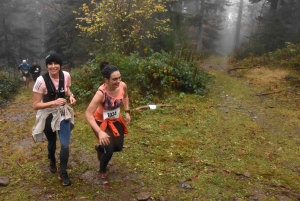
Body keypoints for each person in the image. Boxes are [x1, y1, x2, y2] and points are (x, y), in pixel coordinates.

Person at [32, 51, 76, 186]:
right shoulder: (41, 81)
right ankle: (51, 159)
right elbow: (35, 105)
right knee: (52, 143)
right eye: (50, 64)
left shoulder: (66, 75)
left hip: (63, 113)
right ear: (46, 66)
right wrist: (53, 103)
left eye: (56, 63)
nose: (53, 66)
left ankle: (63, 172)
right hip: (48, 113)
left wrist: (71, 96)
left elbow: (67, 89)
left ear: (60, 65)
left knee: (64, 143)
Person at [85, 61, 130, 185]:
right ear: (106, 80)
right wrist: (99, 132)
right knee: (109, 149)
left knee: (119, 147)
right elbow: (88, 114)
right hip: (101, 122)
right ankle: (101, 171)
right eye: (115, 79)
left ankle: (100, 148)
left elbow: (125, 96)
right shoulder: (101, 93)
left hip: (115, 120)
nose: (118, 81)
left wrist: (127, 112)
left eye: (119, 78)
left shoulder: (122, 86)